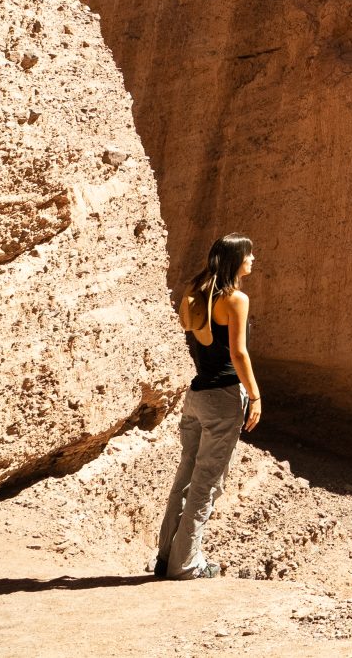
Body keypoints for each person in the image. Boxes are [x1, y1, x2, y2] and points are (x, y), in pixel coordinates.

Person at [154, 234, 263, 579]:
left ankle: (166, 557)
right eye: (249, 254)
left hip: (197, 396)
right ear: (236, 260)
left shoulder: (196, 293)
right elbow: (238, 353)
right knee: (207, 484)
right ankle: (185, 565)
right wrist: (255, 395)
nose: (253, 259)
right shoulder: (236, 299)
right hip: (224, 397)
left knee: (185, 478)